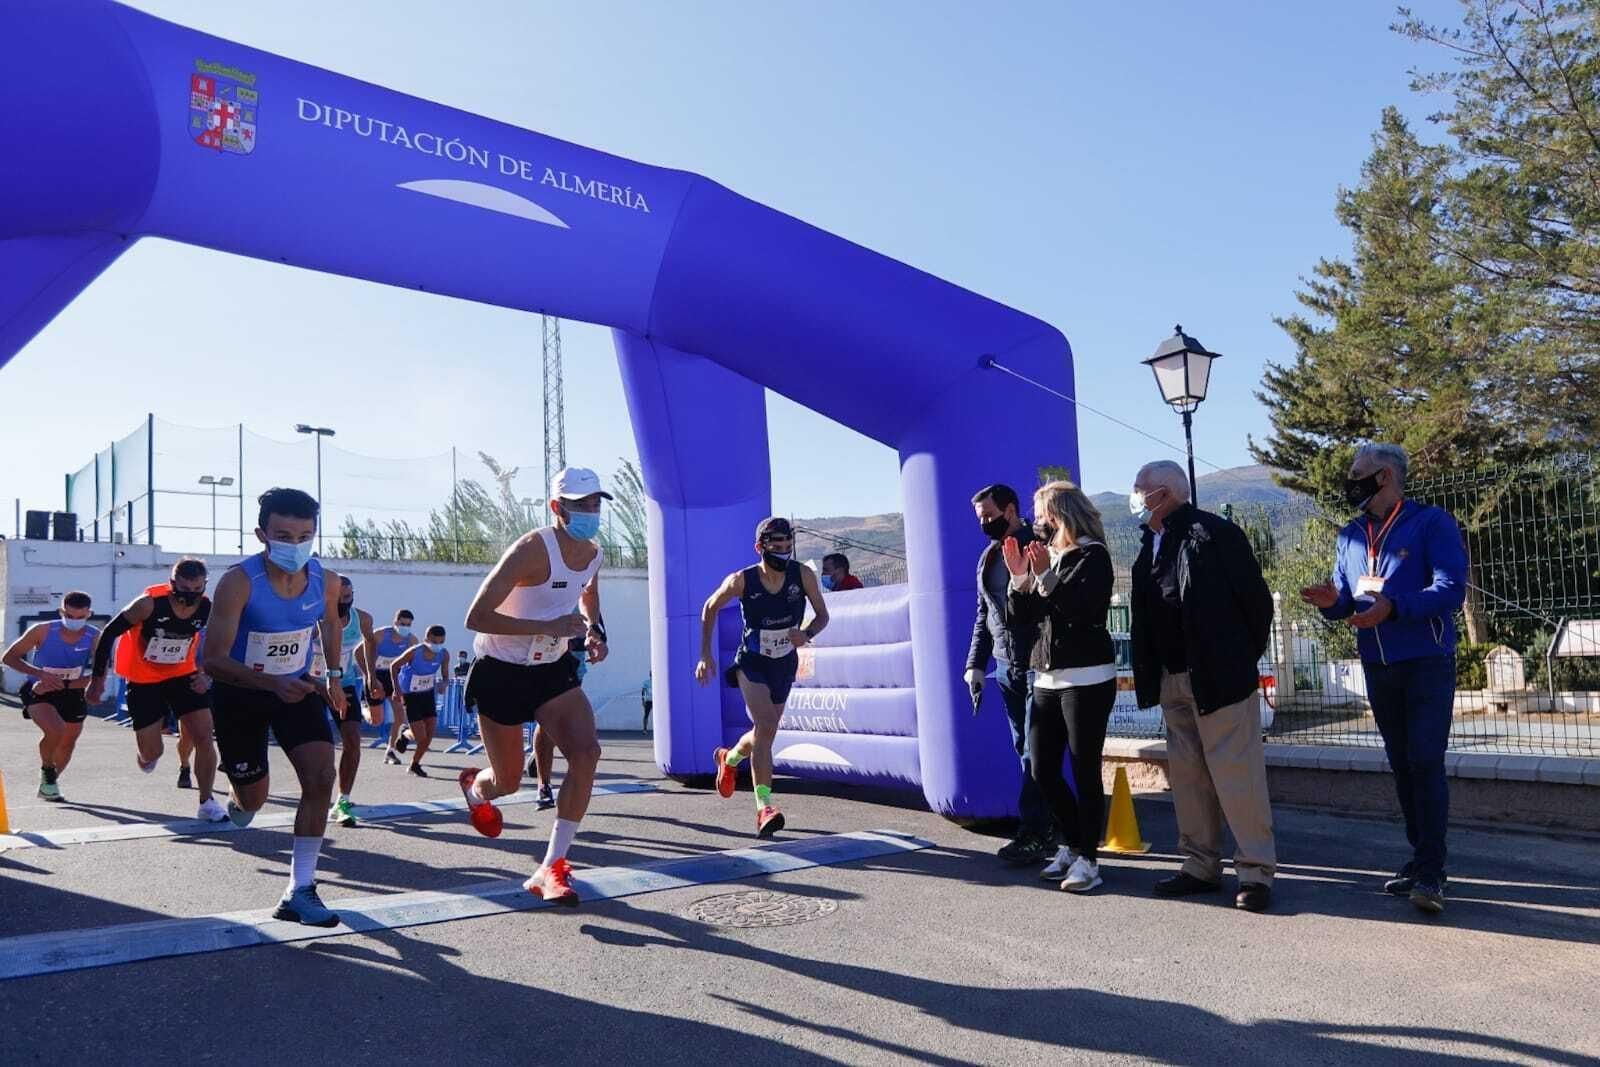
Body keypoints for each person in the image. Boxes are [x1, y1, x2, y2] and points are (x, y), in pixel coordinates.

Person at [1301, 443, 1467, 915]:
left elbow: (1450, 589)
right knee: (1401, 762)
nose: (1350, 481)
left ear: (1386, 476)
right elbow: (1349, 602)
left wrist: (1394, 608)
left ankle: (1433, 871)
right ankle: (1419, 858)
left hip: (1426, 661)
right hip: (1378, 665)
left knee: (1425, 760)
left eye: (1358, 474)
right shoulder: (1350, 535)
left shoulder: (1431, 522)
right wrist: (1330, 601)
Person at [1129, 460, 1277, 913]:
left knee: (1237, 776)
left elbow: (1258, 605)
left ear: (1166, 493)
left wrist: (1234, 659)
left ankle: (1254, 874)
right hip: (1173, 677)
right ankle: (1199, 865)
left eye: (1140, 490)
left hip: (1219, 677)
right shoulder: (1150, 542)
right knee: (1189, 777)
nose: (1135, 497)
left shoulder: (1213, 534)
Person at [461, 466, 611, 906]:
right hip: (501, 670)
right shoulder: (531, 550)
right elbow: (476, 616)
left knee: (587, 753)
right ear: (557, 508)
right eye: (580, 505)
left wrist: (595, 631)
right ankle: (475, 789)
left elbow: (587, 595)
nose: (590, 512)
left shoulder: (595, 553)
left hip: (551, 669)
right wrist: (545, 624)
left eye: (595, 504)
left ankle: (552, 866)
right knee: (507, 782)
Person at [202, 487, 347, 927]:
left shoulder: (327, 580)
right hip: (240, 692)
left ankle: (300, 890)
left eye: (305, 534)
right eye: (283, 534)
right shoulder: (239, 582)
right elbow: (212, 659)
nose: (295, 544)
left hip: (297, 690)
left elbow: (329, 626)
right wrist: (269, 682)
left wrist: (334, 677)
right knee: (253, 802)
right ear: (262, 534)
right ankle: (239, 793)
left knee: (322, 777)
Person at [1004, 481, 1118, 893]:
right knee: (1043, 769)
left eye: (1041, 517)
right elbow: (1023, 617)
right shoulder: (1050, 558)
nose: (1036, 526)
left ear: (1059, 516)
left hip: (1087, 680)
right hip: (1047, 679)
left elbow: (1080, 609)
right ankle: (1072, 842)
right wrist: (1020, 579)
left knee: (1085, 770)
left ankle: (1089, 858)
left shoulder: (1093, 556)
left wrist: (1045, 576)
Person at [697, 517, 830, 837]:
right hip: (752, 662)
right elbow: (709, 607)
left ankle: (729, 759)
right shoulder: (741, 580)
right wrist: (705, 654)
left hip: (784, 663)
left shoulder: (803, 575)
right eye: (776, 547)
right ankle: (764, 807)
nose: (784, 553)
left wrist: (807, 633)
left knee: (763, 732)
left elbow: (823, 616)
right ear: (760, 548)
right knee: (767, 726)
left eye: (788, 547)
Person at [87, 558, 227, 822]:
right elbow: (108, 634)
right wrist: (98, 679)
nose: (189, 596)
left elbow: (224, 640)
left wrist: (205, 674)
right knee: (154, 753)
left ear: (204, 586)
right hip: (144, 679)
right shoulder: (148, 604)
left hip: (182, 675)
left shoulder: (208, 608)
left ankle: (206, 801)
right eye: (183, 589)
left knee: (204, 736)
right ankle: (146, 755)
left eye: (196, 590)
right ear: (172, 583)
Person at [966, 484, 1053, 864]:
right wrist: (975, 666)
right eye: (981, 519)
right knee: (1024, 749)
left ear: (1011, 510)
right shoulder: (987, 558)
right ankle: (1047, 824)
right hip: (1005, 666)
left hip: (1039, 662)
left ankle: (1035, 830)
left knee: (1036, 749)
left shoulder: (1039, 543)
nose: (985, 523)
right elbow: (984, 616)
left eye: (989, 515)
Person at [3, 592, 98, 803]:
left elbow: (101, 672)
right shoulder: (43, 630)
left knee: (68, 742)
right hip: (39, 689)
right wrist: (40, 674)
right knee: (56, 730)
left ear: (88, 614)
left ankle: (49, 783)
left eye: (80, 617)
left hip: (72, 691)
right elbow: (9, 657)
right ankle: (47, 769)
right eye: (70, 616)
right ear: (61, 612)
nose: (74, 622)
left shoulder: (94, 636)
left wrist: (76, 685)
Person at [327, 576, 379, 827]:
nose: (343, 602)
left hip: (344, 685)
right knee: (319, 749)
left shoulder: (362, 619)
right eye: (338, 598)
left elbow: (370, 641)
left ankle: (343, 800)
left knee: (353, 741)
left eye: (347, 597)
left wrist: (371, 676)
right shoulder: (313, 617)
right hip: (312, 685)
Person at [389, 625, 449, 777]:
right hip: (410, 696)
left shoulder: (444, 654)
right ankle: (406, 734)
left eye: (441, 642)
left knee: (429, 734)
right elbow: (393, 666)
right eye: (434, 642)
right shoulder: (414, 652)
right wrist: (396, 689)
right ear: (426, 639)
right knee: (420, 737)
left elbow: (446, 676)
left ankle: (414, 764)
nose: (437, 646)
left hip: (427, 694)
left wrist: (444, 683)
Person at [367, 610, 417, 764]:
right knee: (375, 720)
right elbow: (359, 653)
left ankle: (390, 751)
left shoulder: (412, 641)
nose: (405, 628)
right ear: (395, 622)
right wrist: (370, 676)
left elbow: (411, 666)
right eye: (402, 624)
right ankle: (364, 707)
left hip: (393, 677)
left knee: (400, 715)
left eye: (408, 625)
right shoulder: (380, 635)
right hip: (375, 676)